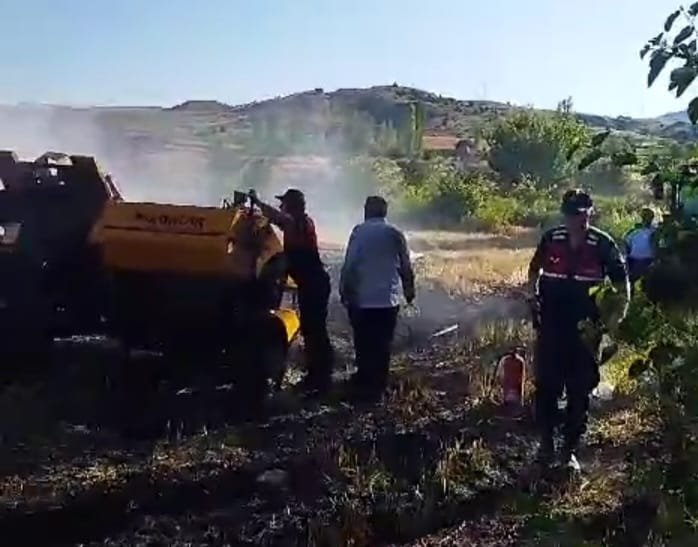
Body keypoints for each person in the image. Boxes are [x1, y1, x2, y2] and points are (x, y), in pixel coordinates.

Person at [527, 189, 630, 472]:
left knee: (579, 388)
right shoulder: (552, 239)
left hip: (587, 329)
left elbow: (623, 285)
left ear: (590, 213)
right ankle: (546, 443)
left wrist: (615, 322)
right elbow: (534, 269)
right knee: (546, 385)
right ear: (565, 214)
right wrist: (531, 295)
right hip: (551, 324)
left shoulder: (603, 244)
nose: (577, 221)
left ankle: (569, 449)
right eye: (572, 215)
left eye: (582, 215)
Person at [248, 188, 334, 395]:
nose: (280, 206)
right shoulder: (299, 223)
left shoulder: (298, 223)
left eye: (283, 203)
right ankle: (318, 376)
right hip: (313, 284)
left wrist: (257, 201)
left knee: (315, 331)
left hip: (314, 285)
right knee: (313, 330)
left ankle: (320, 379)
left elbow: (279, 218)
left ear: (292, 206)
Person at [339, 196, 416, 400]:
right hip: (387, 300)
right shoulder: (395, 233)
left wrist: (345, 290)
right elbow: (405, 266)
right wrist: (409, 291)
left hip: (362, 299)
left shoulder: (359, 231)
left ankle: (364, 379)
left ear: (366, 210)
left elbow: (350, 264)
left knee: (363, 341)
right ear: (385, 212)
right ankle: (378, 386)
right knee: (382, 343)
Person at [623, 207, 657, 285]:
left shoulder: (654, 231)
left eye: (649, 217)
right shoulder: (635, 230)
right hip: (637, 260)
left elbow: (626, 242)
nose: (648, 219)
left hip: (647, 261)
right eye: (646, 216)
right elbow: (626, 242)